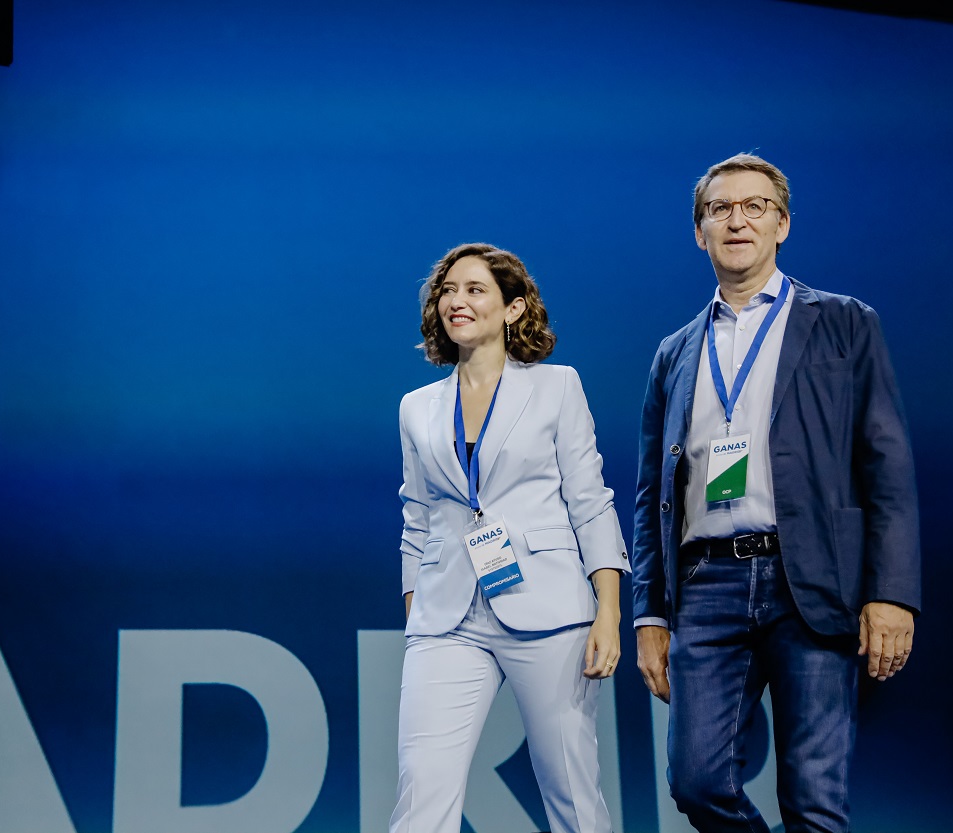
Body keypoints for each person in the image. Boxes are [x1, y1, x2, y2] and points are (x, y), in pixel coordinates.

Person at [631, 153, 921, 832]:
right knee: (697, 782)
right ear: (698, 232)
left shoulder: (845, 323)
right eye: (719, 209)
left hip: (812, 579)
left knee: (815, 801)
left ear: (782, 223)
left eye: (754, 206)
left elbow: (888, 466)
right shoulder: (673, 353)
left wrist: (892, 592)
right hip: (705, 587)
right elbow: (651, 494)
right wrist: (649, 612)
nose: (737, 220)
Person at [391, 242, 627, 833]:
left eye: (475, 290)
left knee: (572, 792)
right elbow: (416, 516)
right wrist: (418, 610)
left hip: (549, 611)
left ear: (513, 309)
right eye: (448, 290)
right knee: (421, 793)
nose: (457, 301)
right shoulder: (416, 408)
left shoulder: (557, 387)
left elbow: (590, 501)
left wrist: (608, 611)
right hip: (446, 619)